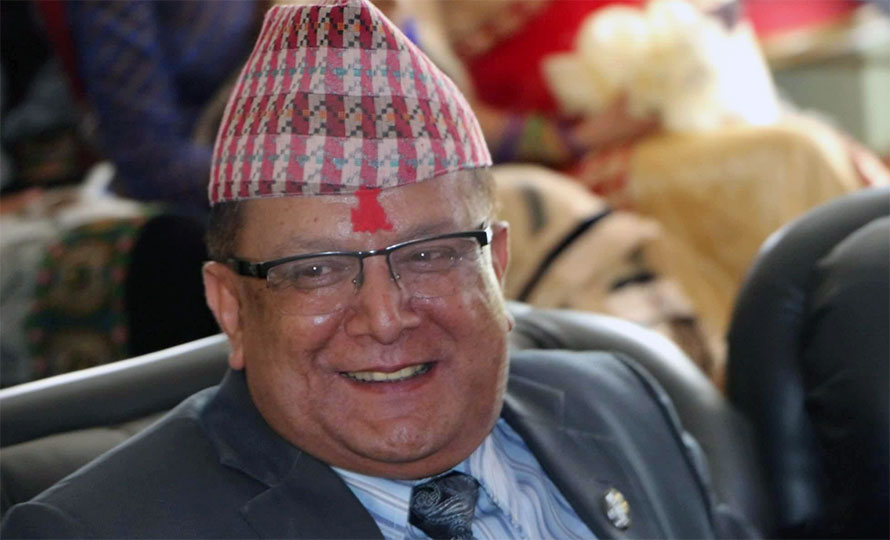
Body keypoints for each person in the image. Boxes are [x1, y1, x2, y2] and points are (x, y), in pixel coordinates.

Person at [1, 1, 753, 538]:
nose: (387, 318)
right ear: (230, 307)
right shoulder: (98, 528)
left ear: (499, 266)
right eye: (314, 270)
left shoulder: (625, 406)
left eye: (430, 255)